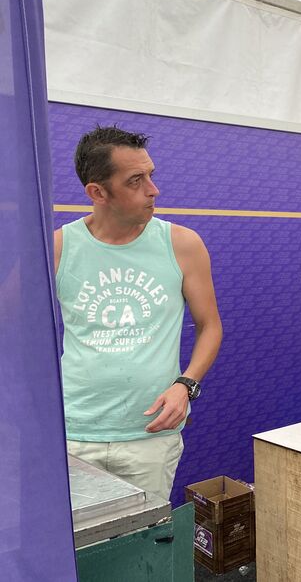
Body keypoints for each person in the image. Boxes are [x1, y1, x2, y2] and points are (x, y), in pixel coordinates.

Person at [54, 126, 222, 500]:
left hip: (149, 434)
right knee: (78, 536)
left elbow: (210, 326)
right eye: (135, 180)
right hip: (75, 433)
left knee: (146, 535)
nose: (153, 189)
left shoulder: (182, 244)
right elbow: (15, 324)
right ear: (97, 193)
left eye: (150, 175)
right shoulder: (59, 247)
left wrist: (186, 385)